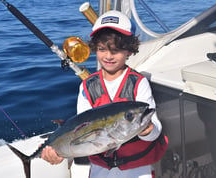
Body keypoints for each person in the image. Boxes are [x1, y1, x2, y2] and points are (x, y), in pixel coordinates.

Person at [42, 10, 168, 178]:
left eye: (115, 50)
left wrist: (147, 130)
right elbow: (80, 131)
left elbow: (155, 131)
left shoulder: (138, 83)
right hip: (100, 170)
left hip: (137, 170)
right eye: (102, 49)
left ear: (129, 51)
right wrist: (58, 154)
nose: (108, 56)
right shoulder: (87, 86)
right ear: (95, 48)